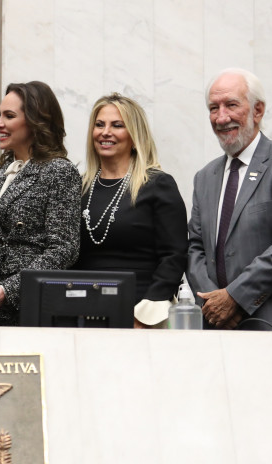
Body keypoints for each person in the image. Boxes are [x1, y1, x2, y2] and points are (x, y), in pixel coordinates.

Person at [188, 68, 272, 331]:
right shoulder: (205, 177)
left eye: (231, 105)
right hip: (219, 325)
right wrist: (214, 303)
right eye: (214, 108)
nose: (221, 117)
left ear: (257, 110)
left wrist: (235, 298)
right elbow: (195, 249)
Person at [0, 81, 80, 326]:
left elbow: (64, 249)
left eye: (9, 116)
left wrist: (10, 289)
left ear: (35, 121)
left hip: (29, 306)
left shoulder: (59, 172)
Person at [73, 93, 188, 328]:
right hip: (83, 313)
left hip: (141, 315)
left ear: (135, 136)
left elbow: (174, 257)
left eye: (117, 125)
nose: (106, 132)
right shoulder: (79, 187)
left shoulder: (157, 184)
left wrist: (145, 316)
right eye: (99, 125)